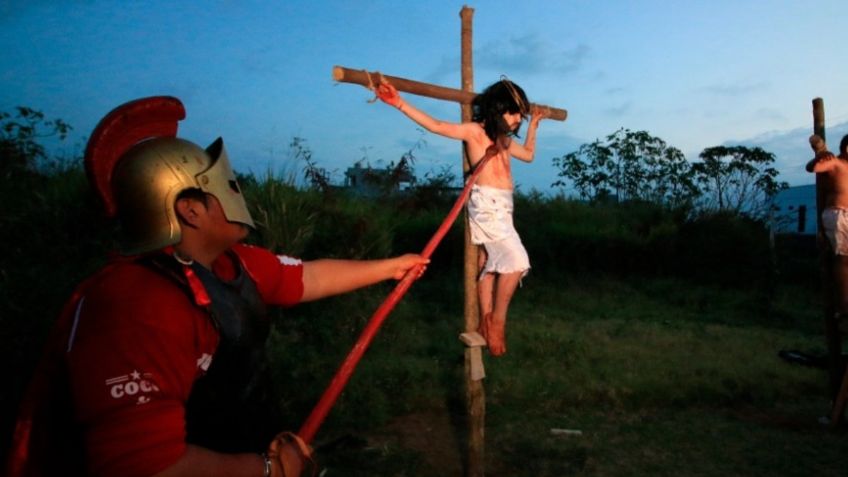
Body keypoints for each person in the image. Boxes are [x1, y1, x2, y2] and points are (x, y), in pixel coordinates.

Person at [6, 97, 428, 477]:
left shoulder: (232, 262)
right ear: (190, 210)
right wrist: (269, 469)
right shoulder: (135, 305)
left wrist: (391, 267)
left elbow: (306, 277)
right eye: (223, 187)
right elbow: (146, 466)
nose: (236, 192)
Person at [374, 77, 549, 356]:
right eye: (514, 112)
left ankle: (484, 321)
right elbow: (436, 126)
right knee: (516, 261)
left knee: (488, 263)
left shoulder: (503, 140)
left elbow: (528, 155)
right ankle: (497, 322)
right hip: (486, 203)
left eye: (522, 115)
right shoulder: (475, 131)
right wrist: (399, 103)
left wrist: (535, 127)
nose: (519, 119)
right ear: (496, 108)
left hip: (504, 207)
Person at [807, 133, 848, 315]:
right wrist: (822, 154)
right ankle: (844, 306)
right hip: (838, 214)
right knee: (843, 259)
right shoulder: (836, 163)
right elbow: (813, 167)